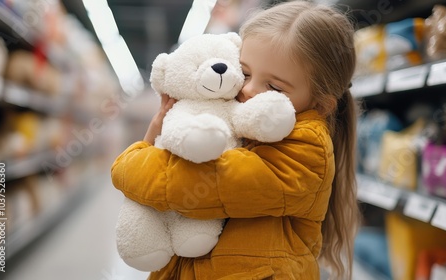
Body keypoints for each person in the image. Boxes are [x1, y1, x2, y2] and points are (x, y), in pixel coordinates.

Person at [111, 1, 361, 279]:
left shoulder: (306, 151)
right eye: (244, 73)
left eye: (274, 86)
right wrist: (157, 131)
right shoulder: (236, 121)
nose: (248, 89)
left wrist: (132, 161)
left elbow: (187, 186)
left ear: (321, 104)